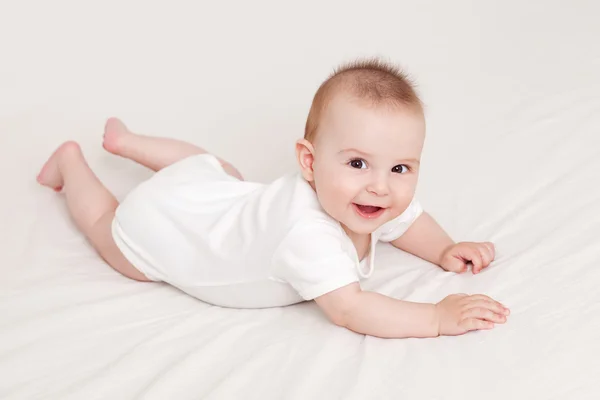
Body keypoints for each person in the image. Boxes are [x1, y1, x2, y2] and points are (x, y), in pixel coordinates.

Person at [37, 58, 510, 338]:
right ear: (308, 161)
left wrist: (445, 249)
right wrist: (437, 317)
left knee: (221, 171)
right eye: (358, 163)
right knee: (107, 223)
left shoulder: (373, 198)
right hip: (169, 229)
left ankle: (132, 144)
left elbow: (408, 220)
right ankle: (70, 163)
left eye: (401, 168)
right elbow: (351, 308)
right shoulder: (309, 235)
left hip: (208, 193)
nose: (381, 186)